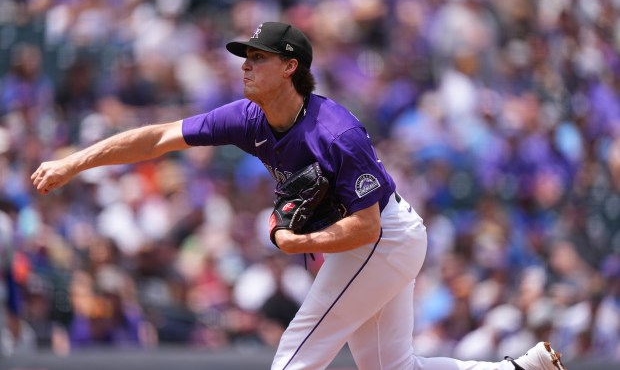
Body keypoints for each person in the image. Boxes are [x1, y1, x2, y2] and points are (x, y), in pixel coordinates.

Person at [31, 21, 567, 370]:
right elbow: (158, 137)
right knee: (394, 369)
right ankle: (521, 369)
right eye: (245, 54)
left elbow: (367, 228)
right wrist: (74, 162)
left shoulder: (335, 132)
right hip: (363, 240)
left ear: (290, 67)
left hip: (382, 238)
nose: (246, 63)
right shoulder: (248, 117)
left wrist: (295, 242)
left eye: (259, 57)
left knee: (292, 360)